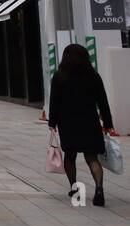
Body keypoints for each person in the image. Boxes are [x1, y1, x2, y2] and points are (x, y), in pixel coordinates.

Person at [48, 44, 115, 207]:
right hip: (89, 121)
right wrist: (108, 123)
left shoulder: (59, 77)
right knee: (92, 157)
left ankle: (75, 188)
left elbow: (54, 102)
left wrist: (52, 123)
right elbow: (103, 101)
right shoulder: (93, 76)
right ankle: (99, 189)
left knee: (70, 156)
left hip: (68, 122)